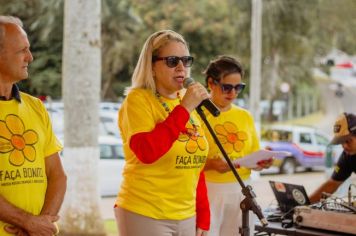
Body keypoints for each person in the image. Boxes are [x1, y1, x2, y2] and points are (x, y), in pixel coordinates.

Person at [115, 30, 210, 236]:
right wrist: (184, 109)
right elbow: (147, 151)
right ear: (152, 66)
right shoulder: (138, 100)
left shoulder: (186, 101)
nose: (181, 68)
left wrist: (203, 213)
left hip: (186, 214)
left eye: (186, 61)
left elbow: (196, 165)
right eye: (172, 61)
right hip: (145, 211)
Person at [0, 16, 67, 236]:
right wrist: (27, 222)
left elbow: (57, 175)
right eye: (22, 50)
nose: (30, 57)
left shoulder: (36, 107)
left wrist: (41, 224)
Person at [202, 55, 272, 236]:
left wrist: (262, 162)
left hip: (242, 189)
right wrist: (211, 165)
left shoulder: (245, 116)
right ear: (211, 83)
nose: (232, 93)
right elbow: (183, 161)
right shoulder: (197, 114)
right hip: (209, 190)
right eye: (227, 87)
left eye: (238, 88)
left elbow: (252, 154)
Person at [309, 112, 356, 203]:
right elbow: (332, 184)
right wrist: (304, 204)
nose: (344, 146)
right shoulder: (347, 156)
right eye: (341, 142)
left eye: (348, 141)